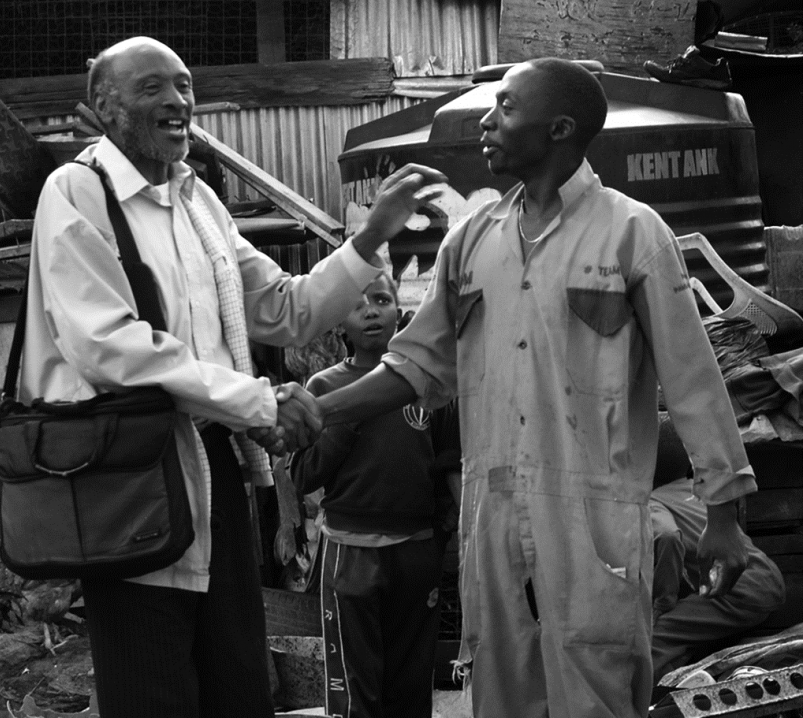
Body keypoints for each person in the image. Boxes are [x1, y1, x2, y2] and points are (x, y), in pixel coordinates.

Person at [311, 57, 758, 718]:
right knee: (501, 688)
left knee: (596, 690)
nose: (487, 122)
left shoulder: (632, 232)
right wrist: (308, 411)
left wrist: (723, 513)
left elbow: (692, 377)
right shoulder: (469, 242)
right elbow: (414, 367)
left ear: (559, 128)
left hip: (595, 516)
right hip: (492, 513)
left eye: (507, 108)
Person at [16, 35, 445, 718]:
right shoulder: (77, 191)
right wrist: (257, 400)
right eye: (153, 87)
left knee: (237, 680)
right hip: (129, 475)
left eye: (184, 84)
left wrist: (367, 242)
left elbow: (284, 306)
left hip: (213, 461)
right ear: (104, 104)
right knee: (154, 686)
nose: (178, 100)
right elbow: (106, 344)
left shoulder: (198, 203)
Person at [289, 272, 460, 718]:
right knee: (354, 688)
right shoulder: (324, 389)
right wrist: (349, 415)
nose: (370, 310)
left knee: (410, 682)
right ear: (339, 323)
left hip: (416, 554)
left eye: (381, 299)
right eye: (357, 303)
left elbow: (449, 466)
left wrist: (442, 540)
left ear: (401, 315)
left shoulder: (428, 386)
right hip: (352, 553)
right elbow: (303, 474)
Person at [650, 417, 785, 687]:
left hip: (735, 587)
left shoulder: (652, 502)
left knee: (659, 635)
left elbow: (667, 537)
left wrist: (662, 604)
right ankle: (685, 678)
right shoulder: (701, 495)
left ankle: (642, 700)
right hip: (767, 576)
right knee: (689, 626)